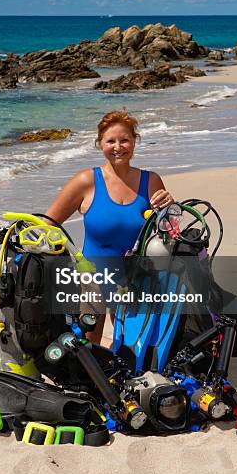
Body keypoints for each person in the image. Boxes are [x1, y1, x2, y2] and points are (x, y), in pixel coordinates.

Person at [46, 110, 174, 343]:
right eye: (110, 141)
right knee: (89, 345)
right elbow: (48, 224)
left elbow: (169, 232)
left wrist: (170, 206)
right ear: (100, 144)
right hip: (92, 277)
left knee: (131, 345)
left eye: (124, 139)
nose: (118, 147)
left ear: (134, 141)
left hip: (134, 278)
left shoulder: (151, 181)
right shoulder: (86, 181)